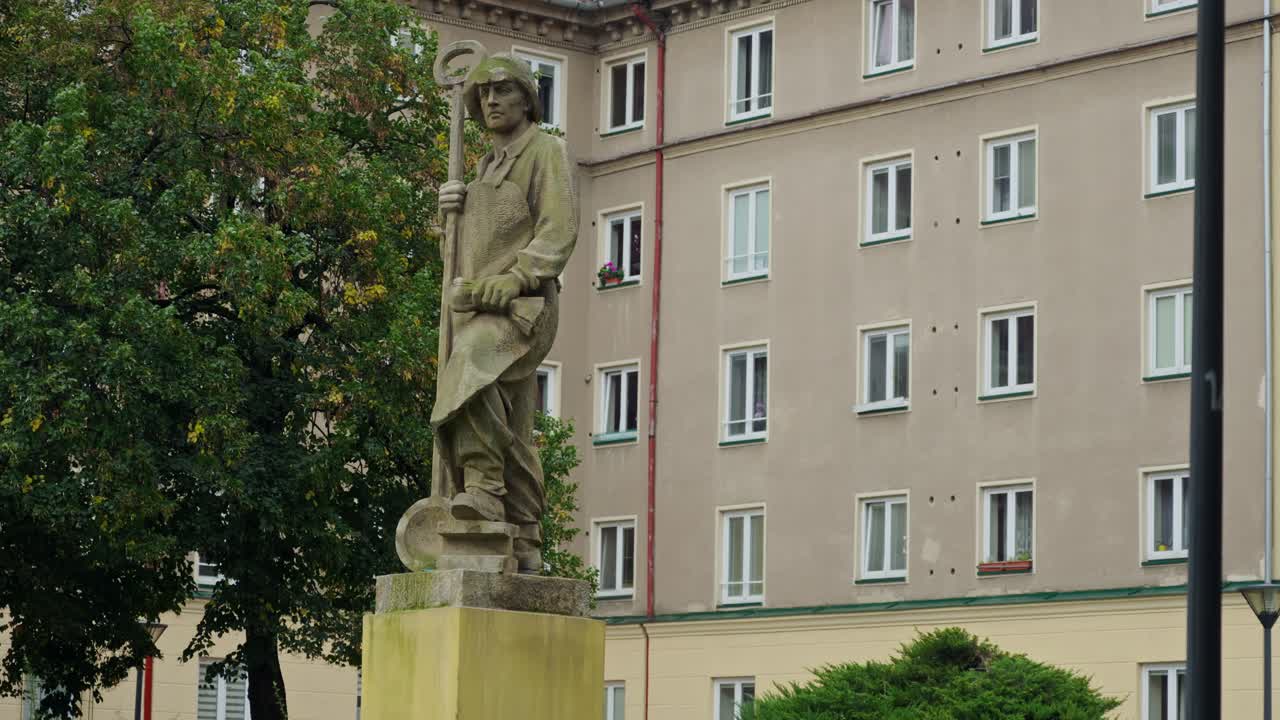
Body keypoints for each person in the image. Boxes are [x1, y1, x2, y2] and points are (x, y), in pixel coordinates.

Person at [432, 54, 578, 572]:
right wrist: (451, 214)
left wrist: (514, 278)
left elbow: (557, 231)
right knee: (513, 425)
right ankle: (526, 535)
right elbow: (468, 249)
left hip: (523, 308)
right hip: (475, 305)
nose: (491, 101)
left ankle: (486, 488)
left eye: (502, 90)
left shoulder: (545, 152)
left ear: (526, 97)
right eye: (483, 94)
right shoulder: (482, 168)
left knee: (469, 365)